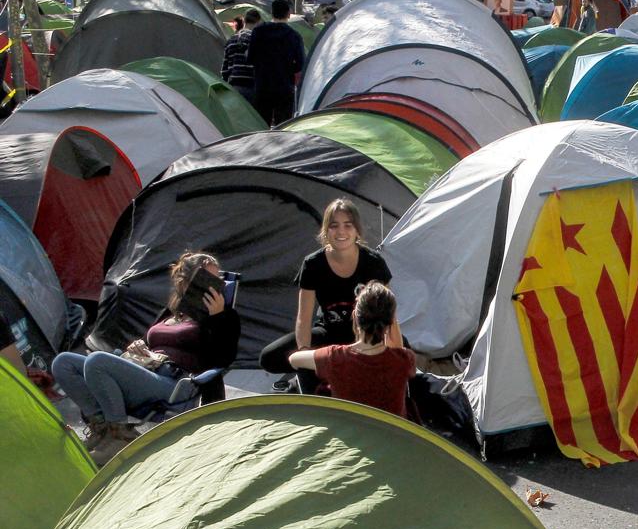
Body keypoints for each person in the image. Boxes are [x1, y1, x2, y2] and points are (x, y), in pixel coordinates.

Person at [52, 253, 240, 465]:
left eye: (218, 280)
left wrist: (218, 318)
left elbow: (223, 358)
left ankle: (120, 436)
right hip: (145, 369)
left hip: (175, 383)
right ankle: (103, 430)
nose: (215, 286)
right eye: (208, 278)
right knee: (63, 363)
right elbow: (148, 340)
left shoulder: (225, 317)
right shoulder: (172, 312)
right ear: (186, 281)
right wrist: (137, 345)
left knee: (96, 360)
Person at [259, 199, 393, 393]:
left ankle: (340, 369)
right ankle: (312, 376)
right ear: (325, 230)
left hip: (363, 335)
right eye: (334, 225)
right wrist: (305, 354)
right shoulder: (313, 264)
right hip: (328, 333)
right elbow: (303, 319)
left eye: (348, 225)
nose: (341, 232)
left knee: (402, 349)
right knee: (269, 357)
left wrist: (384, 351)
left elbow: (388, 316)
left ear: (357, 230)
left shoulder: (374, 263)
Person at [288, 282, 422, 420]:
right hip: (392, 435)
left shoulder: (335, 356)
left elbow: (293, 359)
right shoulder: (405, 359)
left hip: (349, 433)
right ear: (390, 323)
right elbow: (396, 347)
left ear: (355, 317)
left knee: (308, 373)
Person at [247, 0, 305, 126]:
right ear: (288, 14)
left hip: (262, 85)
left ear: (271, 13)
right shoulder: (294, 35)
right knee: (283, 126)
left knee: (261, 125)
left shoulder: (258, 32)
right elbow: (301, 63)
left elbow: (250, 58)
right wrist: (289, 69)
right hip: (284, 87)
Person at [221, 8, 261, 104]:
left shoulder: (231, 40)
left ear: (244, 21)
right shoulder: (257, 40)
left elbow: (224, 70)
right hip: (252, 86)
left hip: (234, 87)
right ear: (258, 22)